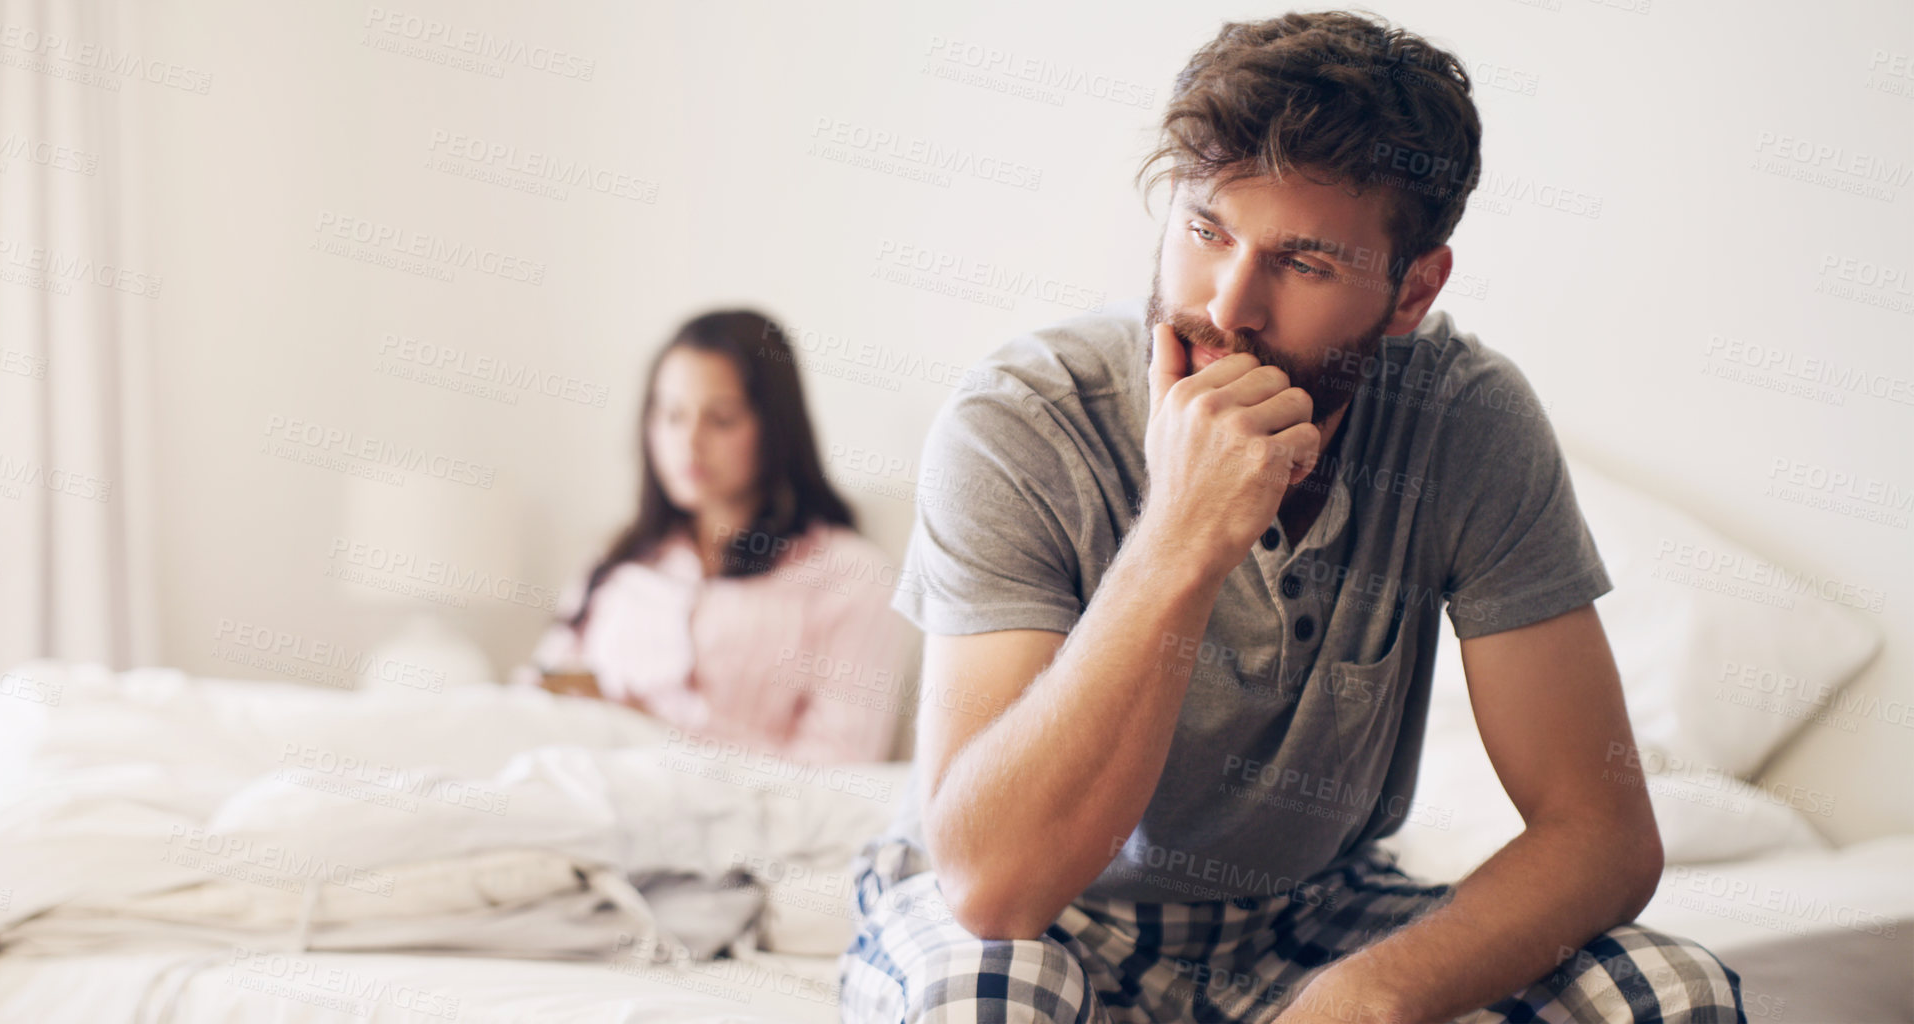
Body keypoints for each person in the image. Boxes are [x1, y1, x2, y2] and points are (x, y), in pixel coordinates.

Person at [840, 12, 1744, 1024]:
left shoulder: (1466, 420)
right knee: (991, 993)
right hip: (1043, 914)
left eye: (1305, 265)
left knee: (1670, 990)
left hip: (1307, 914)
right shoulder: (1024, 418)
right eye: (1205, 230)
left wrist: (1368, 997)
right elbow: (993, 888)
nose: (1231, 305)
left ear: (1411, 291)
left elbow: (1601, 834)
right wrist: (1181, 534)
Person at [511, 309, 911, 766]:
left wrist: (655, 732)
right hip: (571, 784)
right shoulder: (617, 560)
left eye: (721, 419)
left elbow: (838, 769)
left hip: (717, 820)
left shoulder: (852, 577)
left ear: (776, 428)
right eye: (671, 415)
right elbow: (534, 696)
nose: (690, 442)